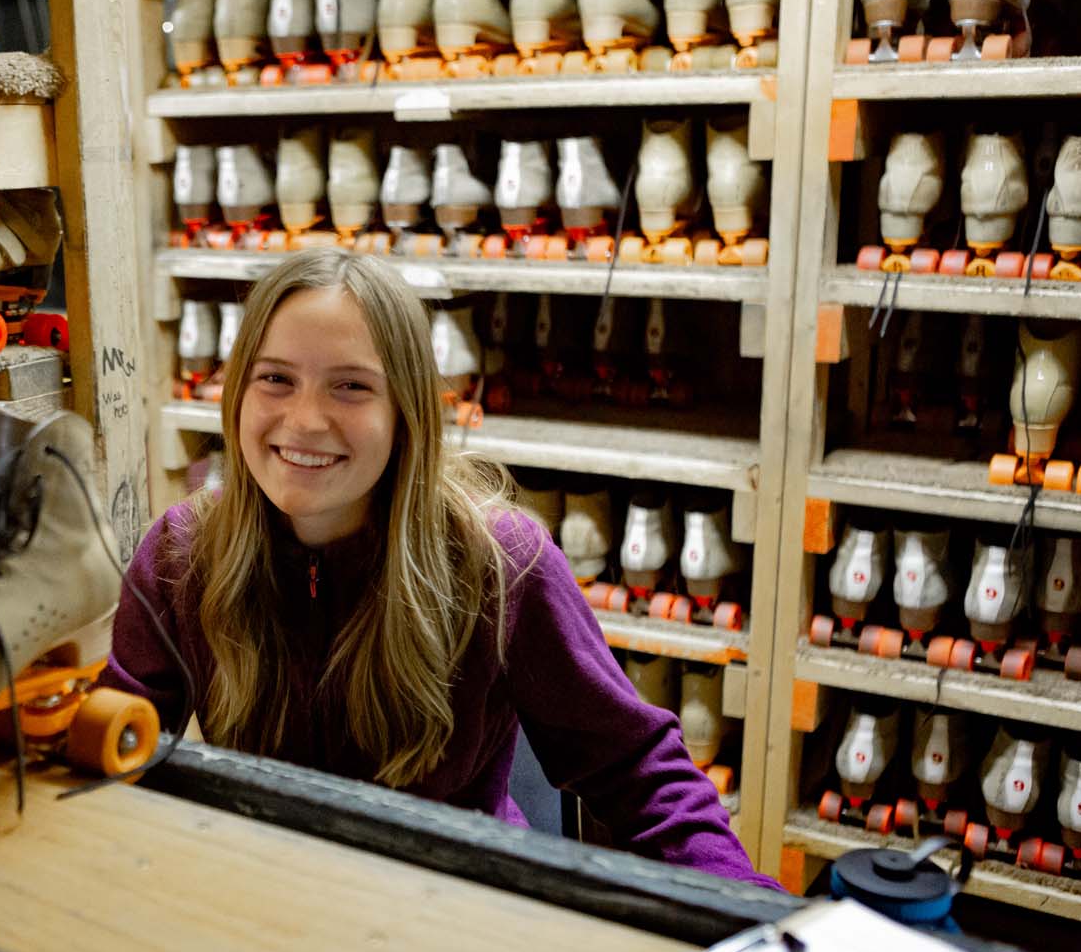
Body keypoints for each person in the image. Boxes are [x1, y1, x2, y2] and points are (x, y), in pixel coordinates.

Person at [99, 247, 777, 889]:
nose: (304, 420)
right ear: (237, 393)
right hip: (267, 896)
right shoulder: (182, 553)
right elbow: (119, 740)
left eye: (351, 387)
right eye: (276, 378)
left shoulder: (502, 565)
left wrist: (750, 915)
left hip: (456, 910)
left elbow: (637, 771)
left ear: (406, 412)